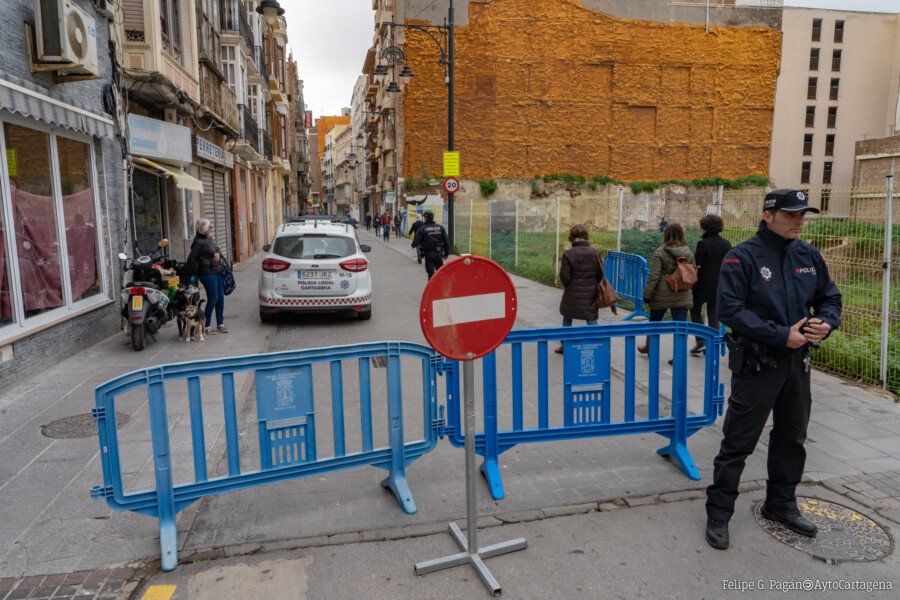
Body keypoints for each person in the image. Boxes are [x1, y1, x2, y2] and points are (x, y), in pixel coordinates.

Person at [704, 189, 842, 551]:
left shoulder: (808, 255)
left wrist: (826, 322)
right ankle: (719, 513)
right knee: (738, 442)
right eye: (791, 214)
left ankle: (780, 504)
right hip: (758, 364)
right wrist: (781, 335)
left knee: (792, 439)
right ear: (768, 215)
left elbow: (829, 297)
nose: (799, 221)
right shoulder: (742, 257)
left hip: (798, 366)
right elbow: (730, 310)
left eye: (803, 215)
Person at [639, 222, 694, 357]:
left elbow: (654, 276)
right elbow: (691, 273)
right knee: (680, 327)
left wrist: (647, 295)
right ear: (681, 234)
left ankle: (650, 349)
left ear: (666, 234)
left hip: (661, 294)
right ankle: (679, 356)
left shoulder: (660, 251)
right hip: (682, 293)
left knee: (654, 324)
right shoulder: (688, 252)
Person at [554, 225, 604, 354]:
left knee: (567, 317)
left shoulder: (568, 253)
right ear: (586, 236)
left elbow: (564, 277)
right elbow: (600, 274)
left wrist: (570, 285)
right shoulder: (595, 252)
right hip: (591, 292)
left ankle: (565, 345)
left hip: (572, 293)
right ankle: (597, 345)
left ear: (572, 237)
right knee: (591, 318)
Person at [689, 214, 732, 356]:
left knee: (695, 310)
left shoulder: (703, 244)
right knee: (713, 313)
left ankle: (700, 341)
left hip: (702, 284)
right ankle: (713, 343)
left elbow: (697, 265)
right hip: (719, 284)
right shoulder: (727, 244)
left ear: (705, 227)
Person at [187, 218, 229, 335]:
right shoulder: (198, 242)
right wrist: (198, 272)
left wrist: (218, 255)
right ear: (203, 229)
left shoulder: (209, 238)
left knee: (220, 298)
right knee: (213, 298)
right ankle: (206, 325)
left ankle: (220, 324)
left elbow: (216, 250)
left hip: (217, 271)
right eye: (209, 227)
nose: (211, 228)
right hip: (207, 274)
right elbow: (191, 260)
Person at [412, 210, 450, 279]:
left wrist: (413, 245)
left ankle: (433, 285)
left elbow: (416, 242)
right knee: (440, 273)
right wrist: (446, 254)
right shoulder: (440, 227)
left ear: (425, 218)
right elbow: (446, 242)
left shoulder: (422, 229)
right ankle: (439, 284)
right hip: (438, 253)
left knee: (431, 274)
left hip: (428, 254)